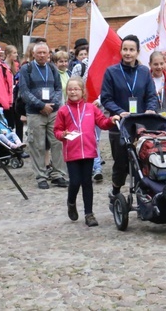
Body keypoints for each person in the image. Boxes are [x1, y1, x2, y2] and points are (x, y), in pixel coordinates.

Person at [100, 35, 158, 207]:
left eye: (131, 50)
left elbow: (151, 96)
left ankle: (143, 191)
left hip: (141, 125)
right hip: (120, 125)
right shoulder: (112, 72)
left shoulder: (144, 72)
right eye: (125, 49)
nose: (128, 53)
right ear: (120, 51)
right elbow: (106, 98)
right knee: (122, 162)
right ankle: (116, 191)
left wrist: (150, 109)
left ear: (137, 52)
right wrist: (119, 112)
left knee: (143, 159)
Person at [55, 76, 120, 227]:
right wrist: (62, 135)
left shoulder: (91, 108)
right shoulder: (63, 111)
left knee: (87, 183)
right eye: (70, 89)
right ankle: (71, 202)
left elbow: (102, 123)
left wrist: (111, 121)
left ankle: (89, 214)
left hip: (89, 152)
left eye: (76, 89)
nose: (73, 92)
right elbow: (57, 130)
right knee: (75, 182)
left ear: (83, 92)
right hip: (72, 152)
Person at [18, 42, 68, 190]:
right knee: (37, 145)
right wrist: (41, 105)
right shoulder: (26, 69)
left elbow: (58, 89)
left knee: (57, 143)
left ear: (48, 54)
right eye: (38, 52)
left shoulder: (52, 68)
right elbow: (24, 92)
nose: (41, 55)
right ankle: (41, 176)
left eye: (44, 53)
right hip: (35, 113)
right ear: (33, 54)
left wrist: (52, 104)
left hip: (53, 112)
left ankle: (58, 174)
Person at [0, 45, 21, 139]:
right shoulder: (0, 68)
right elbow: (0, 86)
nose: (16, 55)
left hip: (15, 100)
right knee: (9, 126)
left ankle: (19, 144)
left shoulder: (16, 66)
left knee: (19, 124)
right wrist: (6, 104)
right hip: (5, 102)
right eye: (14, 53)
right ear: (8, 54)